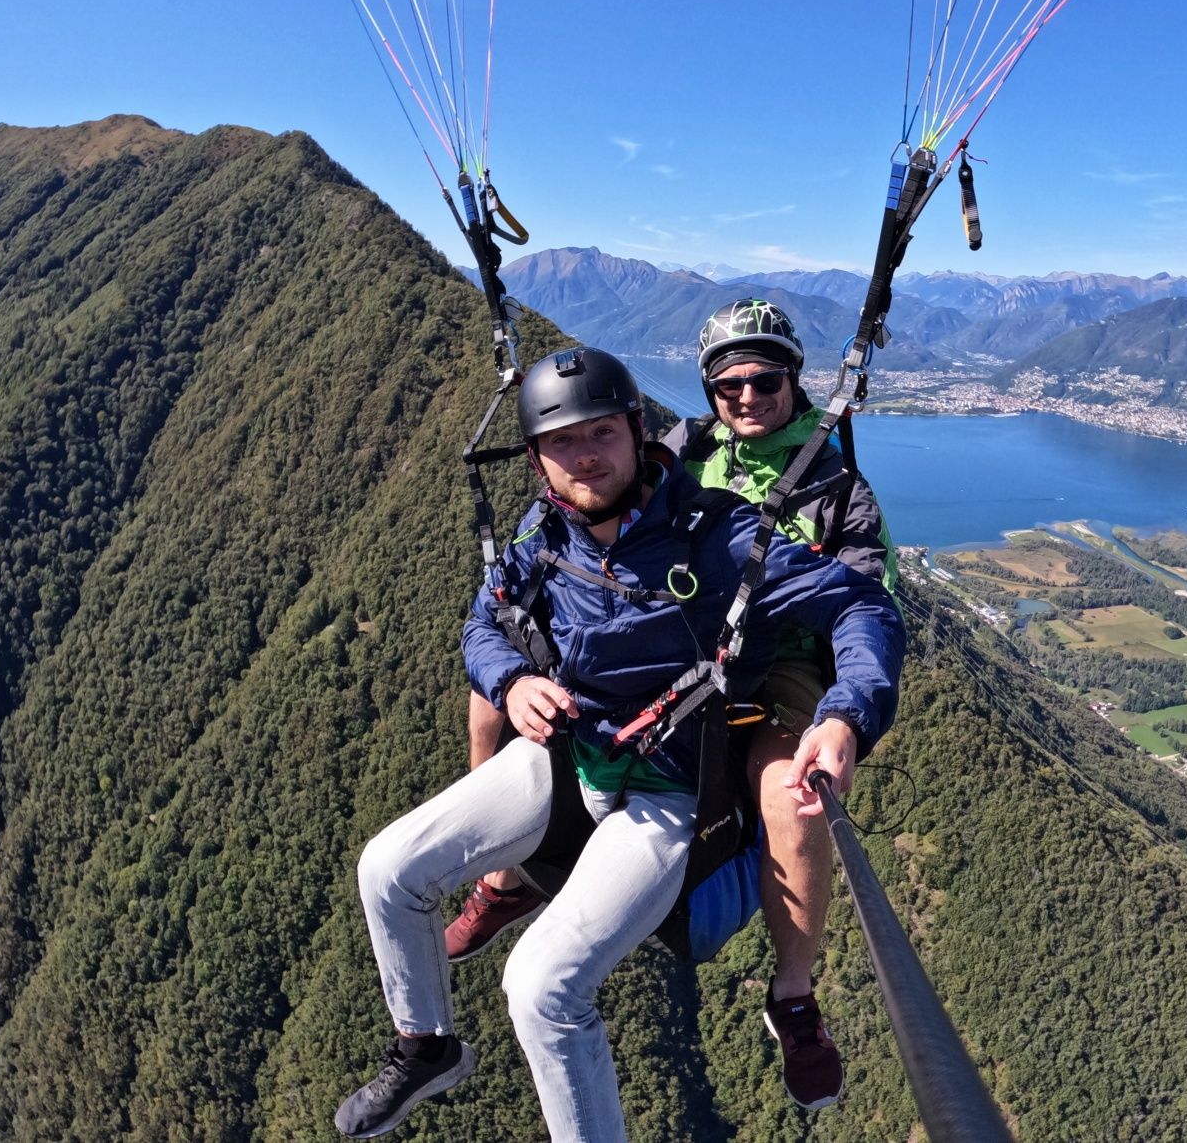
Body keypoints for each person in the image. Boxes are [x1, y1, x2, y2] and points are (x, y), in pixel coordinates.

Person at [335, 347, 903, 1141]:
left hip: (667, 788)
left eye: (601, 432)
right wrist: (511, 681)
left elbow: (861, 607)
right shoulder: (544, 539)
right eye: (562, 442)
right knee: (387, 870)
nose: (586, 456)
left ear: (639, 434)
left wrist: (843, 714)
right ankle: (426, 1045)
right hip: (569, 756)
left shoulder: (717, 535)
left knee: (541, 988)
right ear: (535, 458)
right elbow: (483, 623)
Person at [660, 299, 896, 1108]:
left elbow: (867, 607)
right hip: (684, 647)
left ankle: (792, 996)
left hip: (786, 660)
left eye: (765, 380)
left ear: (793, 380)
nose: (748, 396)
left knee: (794, 798)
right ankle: (513, 874)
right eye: (729, 385)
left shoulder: (836, 485)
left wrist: (847, 711)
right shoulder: (682, 453)